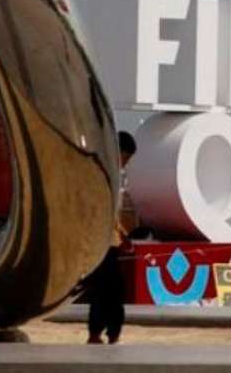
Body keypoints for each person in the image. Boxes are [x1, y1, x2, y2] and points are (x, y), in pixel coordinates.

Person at [87, 130, 139, 345]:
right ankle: (104, 333)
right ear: (119, 152)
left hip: (110, 240)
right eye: (126, 158)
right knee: (109, 290)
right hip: (103, 242)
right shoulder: (102, 173)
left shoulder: (110, 174)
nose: (125, 164)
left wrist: (123, 235)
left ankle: (102, 332)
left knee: (106, 289)